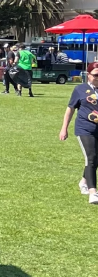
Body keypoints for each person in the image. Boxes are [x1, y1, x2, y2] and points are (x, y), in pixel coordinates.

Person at [59, 63, 98, 205]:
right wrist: (64, 128)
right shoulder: (80, 89)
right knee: (91, 157)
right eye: (95, 75)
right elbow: (70, 109)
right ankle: (93, 192)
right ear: (88, 75)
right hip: (85, 129)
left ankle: (83, 182)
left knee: (96, 159)